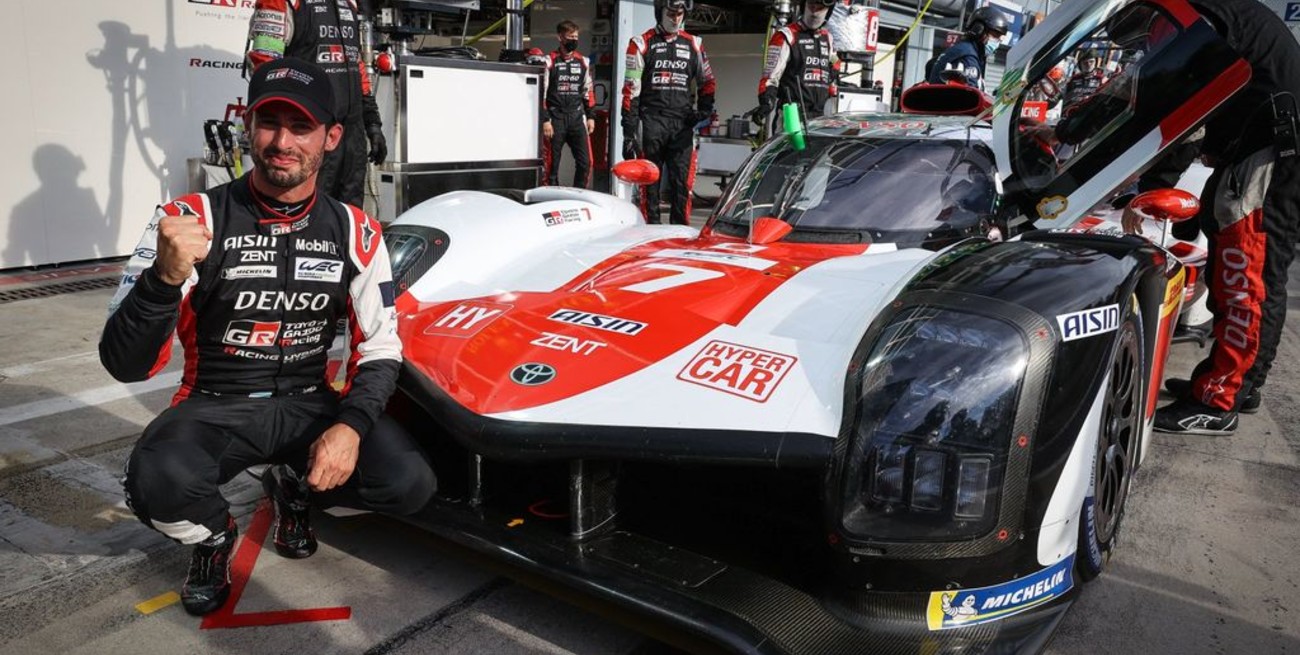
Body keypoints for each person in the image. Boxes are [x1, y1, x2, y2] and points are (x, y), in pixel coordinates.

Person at [100, 58, 435, 616]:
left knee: (408, 483)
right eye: (268, 122)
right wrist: (162, 279)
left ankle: (292, 486)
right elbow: (125, 365)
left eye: (300, 127)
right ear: (248, 128)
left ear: (331, 137)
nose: (282, 142)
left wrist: (350, 429)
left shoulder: (358, 230)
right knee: (154, 484)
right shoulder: (188, 217)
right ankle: (211, 537)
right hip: (214, 405)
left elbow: (379, 347)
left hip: (309, 403)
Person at [1120, 0, 1300, 435]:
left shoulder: (1200, 16)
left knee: (1246, 281)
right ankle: (1239, 383)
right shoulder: (1219, 11)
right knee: (1235, 273)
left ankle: (1219, 402)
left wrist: (1151, 189)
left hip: (1268, 155)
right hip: (1257, 148)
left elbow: (1178, 105)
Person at [246, 0, 386, 208]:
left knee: (348, 219)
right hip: (307, 135)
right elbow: (266, 69)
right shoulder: (280, 2)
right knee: (304, 219)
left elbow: (356, 64)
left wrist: (372, 123)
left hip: (350, 138)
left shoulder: (349, 3)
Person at [621, 0, 717, 225]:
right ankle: (649, 232)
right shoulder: (640, 43)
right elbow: (630, 90)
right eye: (671, 13)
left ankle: (680, 235)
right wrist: (628, 131)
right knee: (649, 186)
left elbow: (708, 80)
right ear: (659, 12)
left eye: (680, 13)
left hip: (682, 124)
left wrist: (704, 108)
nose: (676, 18)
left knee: (681, 184)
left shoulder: (695, 43)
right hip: (651, 121)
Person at [756, 0, 839, 129]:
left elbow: (834, 68)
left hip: (820, 117)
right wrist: (766, 102)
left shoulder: (828, 38)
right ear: (803, 5)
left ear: (828, 11)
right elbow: (770, 77)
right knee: (790, 149)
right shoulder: (786, 35)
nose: (814, 11)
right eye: (812, 5)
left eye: (820, 7)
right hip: (792, 115)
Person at [542, 20, 596, 188]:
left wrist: (591, 116)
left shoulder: (583, 62)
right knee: (551, 165)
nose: (574, 39)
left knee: (586, 162)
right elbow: (541, 93)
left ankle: (578, 195)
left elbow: (588, 90)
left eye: (576, 36)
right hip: (555, 117)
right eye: (570, 37)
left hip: (576, 116)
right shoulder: (549, 61)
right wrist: (545, 120)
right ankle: (551, 197)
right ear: (560, 37)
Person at [925, 6, 1010, 90]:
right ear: (979, 29)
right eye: (995, 35)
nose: (997, 42)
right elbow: (972, 97)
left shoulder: (964, 49)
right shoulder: (967, 56)